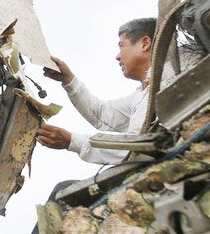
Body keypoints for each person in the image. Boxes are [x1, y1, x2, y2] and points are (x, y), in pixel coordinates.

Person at [36, 17, 156, 165]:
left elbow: (135, 147)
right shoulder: (140, 95)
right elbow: (102, 115)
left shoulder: (166, 85)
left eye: (121, 46)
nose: (117, 56)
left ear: (145, 44)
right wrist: (69, 80)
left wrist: (72, 141)